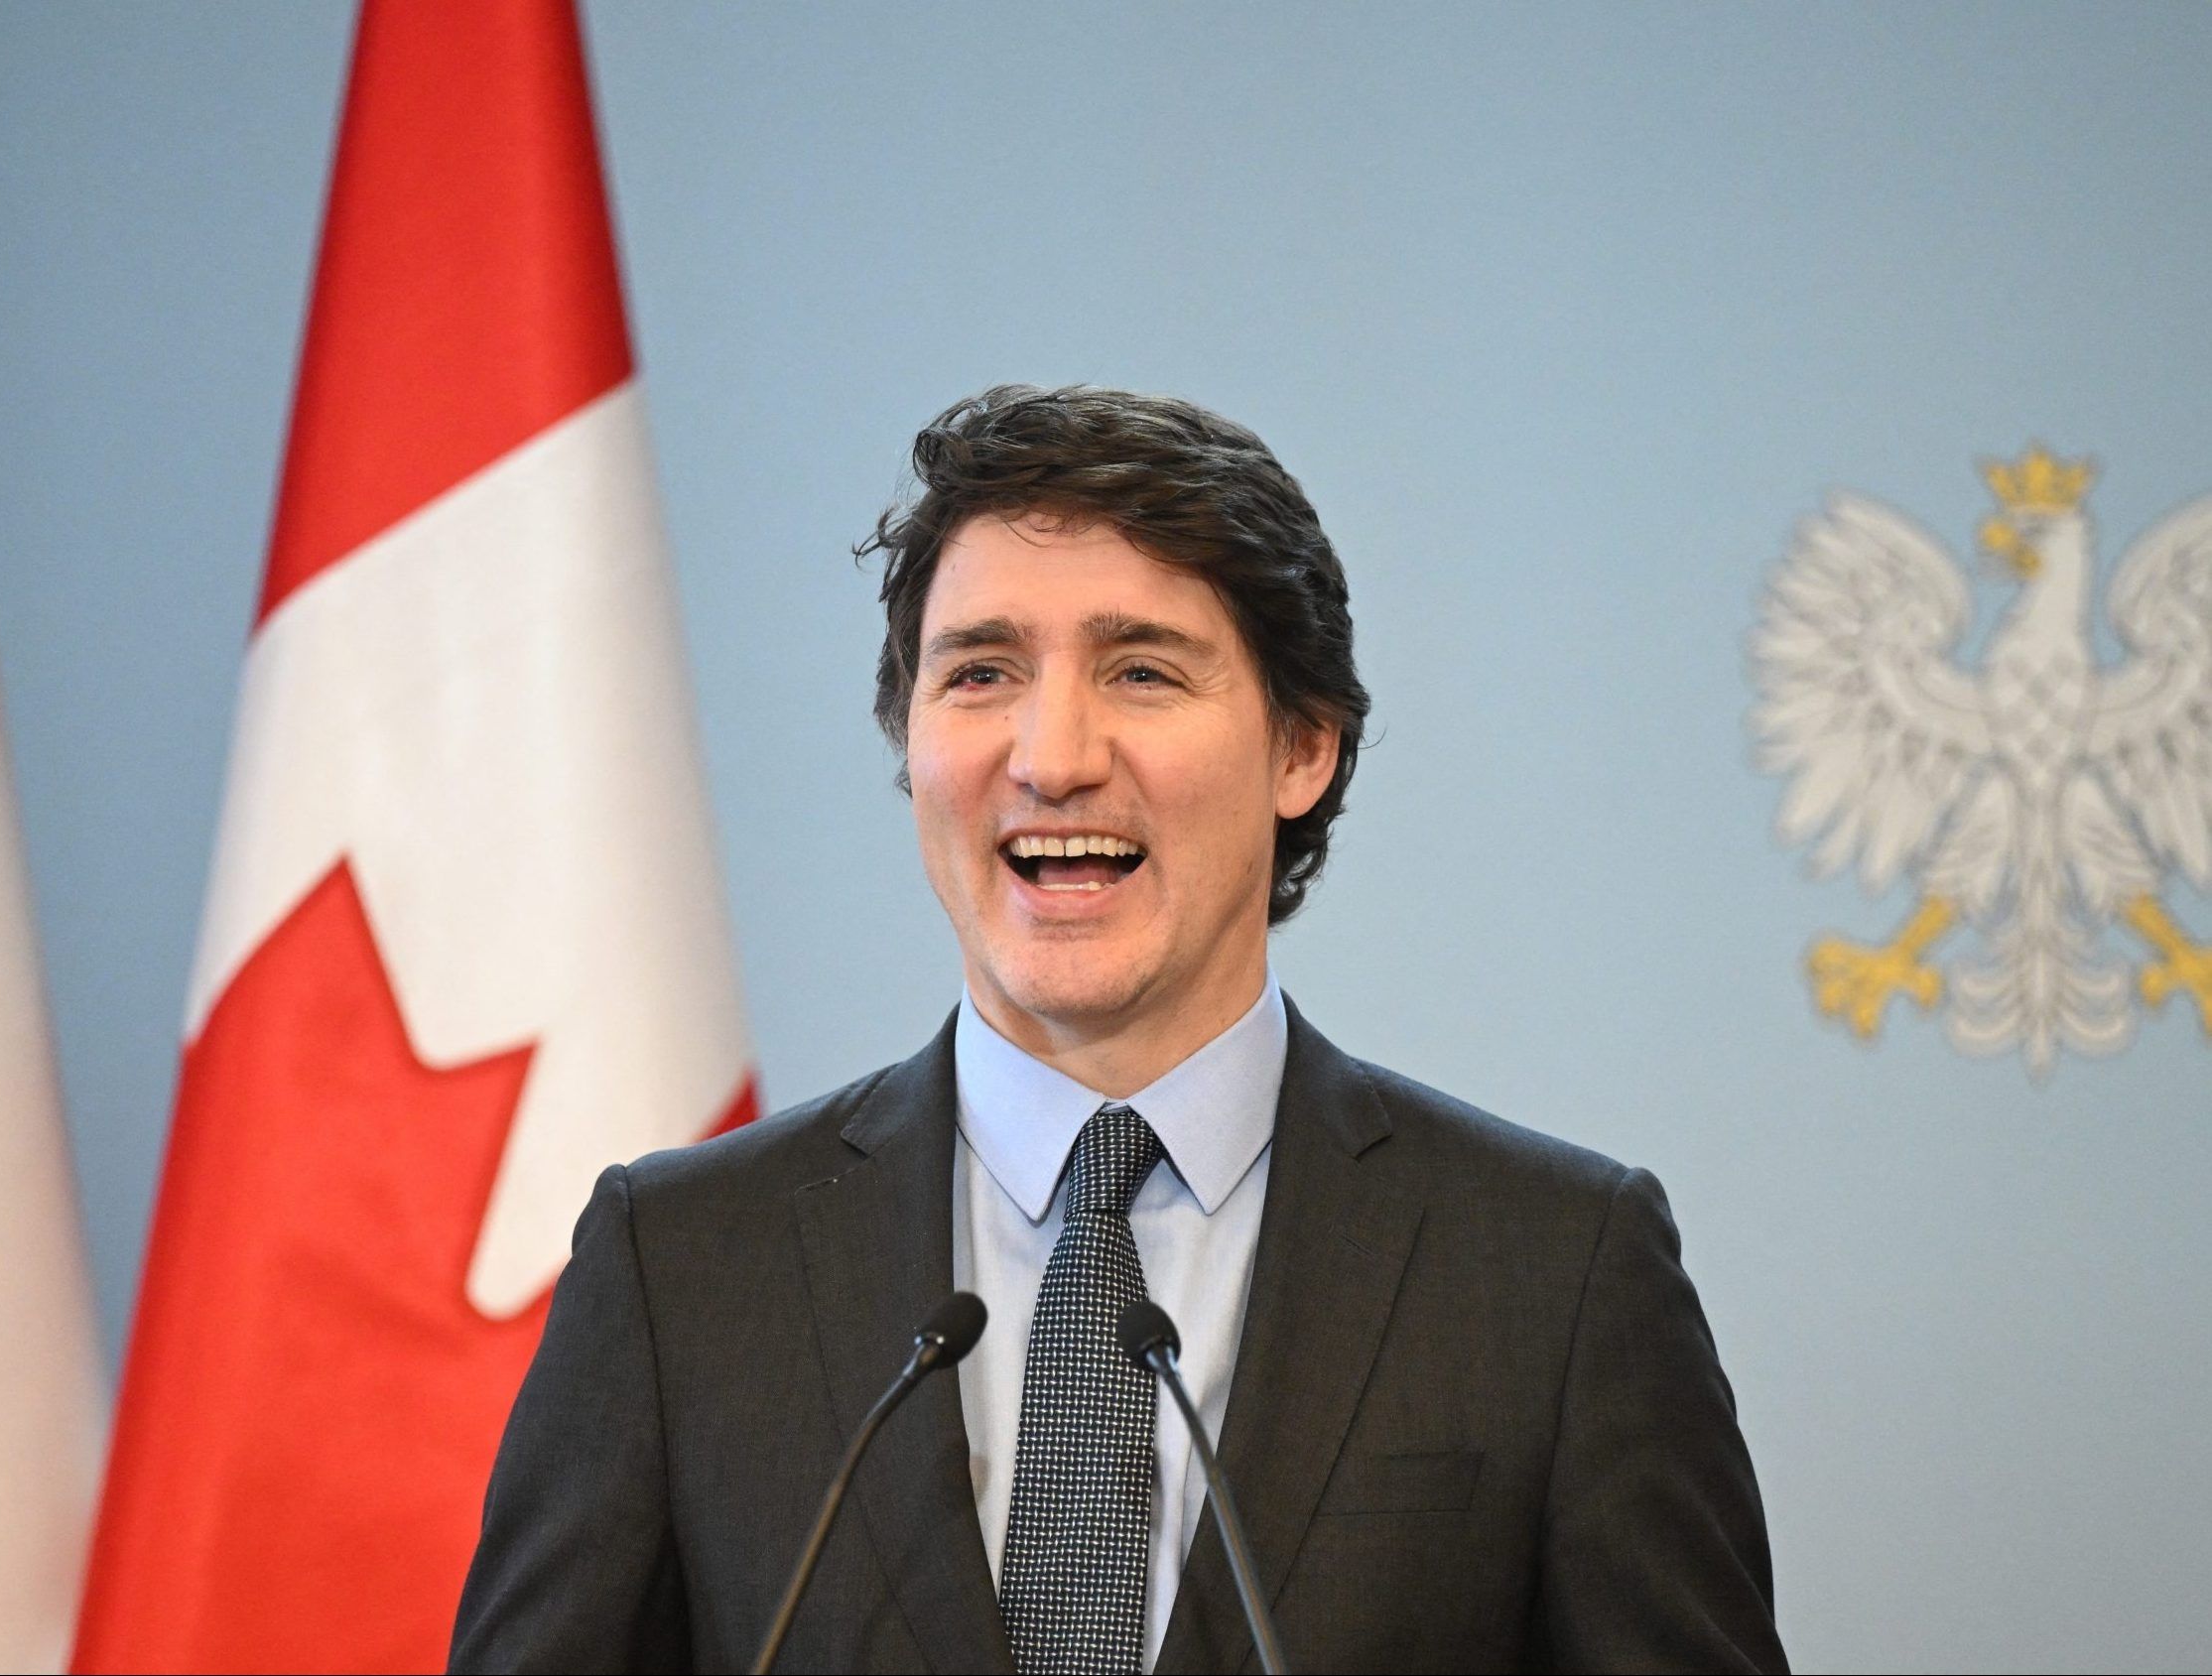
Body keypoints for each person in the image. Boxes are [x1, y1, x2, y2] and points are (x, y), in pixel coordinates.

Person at [450, 385, 1787, 1674]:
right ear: (910, 745)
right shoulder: (683, 1265)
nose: (1051, 753)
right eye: (979, 673)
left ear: (1302, 748)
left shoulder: (1555, 1271)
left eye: (1142, 670)